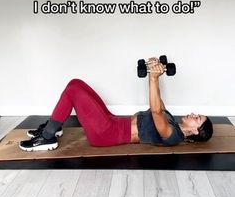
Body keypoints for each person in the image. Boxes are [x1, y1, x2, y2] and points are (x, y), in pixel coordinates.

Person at [19, 58, 213, 152]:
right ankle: (56, 127)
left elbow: (155, 111)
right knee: (76, 83)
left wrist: (154, 77)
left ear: (196, 131)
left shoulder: (173, 136)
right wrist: (154, 70)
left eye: (197, 118)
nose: (193, 114)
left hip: (106, 133)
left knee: (73, 92)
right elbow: (158, 103)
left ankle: (47, 137)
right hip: (111, 120)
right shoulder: (170, 119)